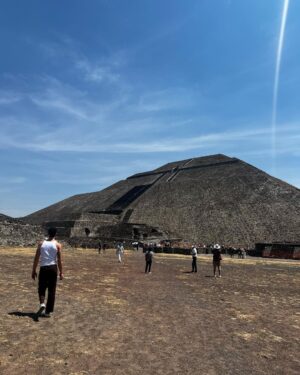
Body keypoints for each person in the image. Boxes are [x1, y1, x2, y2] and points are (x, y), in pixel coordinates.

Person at [32, 227, 63, 317]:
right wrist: (61, 272)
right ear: (55, 234)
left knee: (41, 287)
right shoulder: (58, 245)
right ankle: (48, 312)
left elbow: (36, 258)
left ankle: (42, 303)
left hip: (43, 268)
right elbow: (59, 260)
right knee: (51, 290)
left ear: (48, 233)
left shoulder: (41, 244)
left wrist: (33, 270)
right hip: (53, 268)